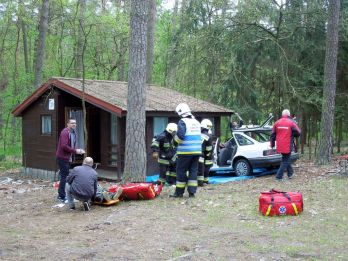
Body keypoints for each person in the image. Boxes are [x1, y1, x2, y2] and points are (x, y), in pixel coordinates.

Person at [171, 103, 201, 198]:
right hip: (197, 151)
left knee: (181, 171)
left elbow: (180, 136)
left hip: (185, 151)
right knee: (193, 171)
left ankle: (179, 192)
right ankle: (192, 192)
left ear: (180, 112)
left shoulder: (182, 121)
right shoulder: (196, 121)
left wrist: (174, 142)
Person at [56, 118, 85, 202]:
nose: (74, 125)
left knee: (65, 176)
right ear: (68, 124)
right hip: (62, 157)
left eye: (75, 123)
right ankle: (61, 196)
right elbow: (64, 146)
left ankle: (64, 194)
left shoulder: (73, 132)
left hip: (68, 157)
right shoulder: (65, 132)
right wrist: (76, 151)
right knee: (64, 177)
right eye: (72, 123)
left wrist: (76, 150)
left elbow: (71, 145)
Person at [270, 109, 301, 181]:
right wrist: (293, 134)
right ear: (288, 115)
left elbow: (272, 135)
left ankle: (290, 174)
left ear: (282, 115)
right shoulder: (291, 123)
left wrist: (272, 144)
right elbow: (298, 132)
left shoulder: (276, 123)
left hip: (280, 146)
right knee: (285, 161)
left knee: (286, 159)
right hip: (287, 145)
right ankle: (278, 177)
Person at [197, 119, 214, 186]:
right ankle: (203, 182)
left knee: (195, 168)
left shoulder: (197, 134)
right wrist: (208, 155)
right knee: (203, 167)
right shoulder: (208, 136)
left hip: (194, 152)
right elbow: (209, 148)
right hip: (202, 154)